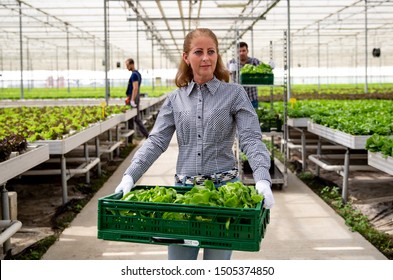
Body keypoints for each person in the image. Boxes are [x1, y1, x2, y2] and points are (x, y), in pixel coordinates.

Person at [115, 28, 274, 260]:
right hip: (184, 197)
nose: (206, 57)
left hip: (225, 195)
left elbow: (250, 138)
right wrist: (130, 175)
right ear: (186, 57)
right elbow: (157, 140)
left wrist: (262, 177)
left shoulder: (235, 94)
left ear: (218, 56)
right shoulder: (175, 99)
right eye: (198, 52)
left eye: (211, 51)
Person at [228, 41, 261, 109]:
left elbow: (264, 70)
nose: (241, 53)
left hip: (252, 97)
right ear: (236, 52)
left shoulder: (254, 61)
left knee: (253, 118)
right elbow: (226, 75)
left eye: (243, 50)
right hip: (237, 98)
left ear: (247, 51)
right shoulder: (232, 62)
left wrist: (270, 66)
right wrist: (229, 71)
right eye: (239, 51)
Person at [125, 58, 149, 138]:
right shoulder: (137, 73)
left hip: (134, 98)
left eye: (127, 65)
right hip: (135, 97)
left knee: (135, 118)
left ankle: (147, 135)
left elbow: (135, 88)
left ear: (132, 64)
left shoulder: (134, 75)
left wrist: (132, 100)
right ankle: (130, 139)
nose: (127, 67)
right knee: (131, 118)